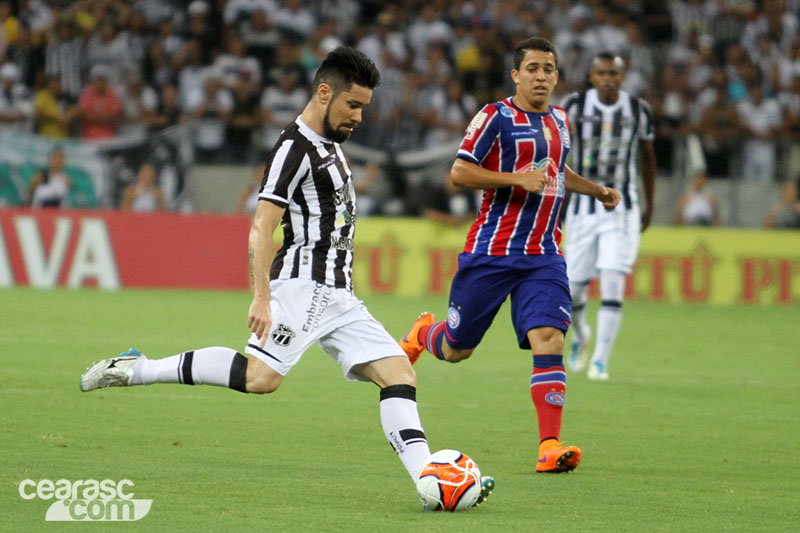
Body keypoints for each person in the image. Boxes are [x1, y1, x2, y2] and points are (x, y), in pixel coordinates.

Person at [79, 47, 493, 508]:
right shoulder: (292, 149)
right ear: (324, 93)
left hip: (339, 292)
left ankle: (430, 484)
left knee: (400, 374)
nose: (358, 116)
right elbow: (262, 224)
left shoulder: (331, 143)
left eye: (363, 108)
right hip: (302, 284)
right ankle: (137, 369)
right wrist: (261, 296)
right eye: (353, 105)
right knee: (259, 378)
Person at [399, 37, 621, 474]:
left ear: (557, 76)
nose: (541, 76)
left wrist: (594, 190)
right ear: (515, 75)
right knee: (456, 349)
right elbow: (459, 172)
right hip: (492, 251)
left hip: (544, 254)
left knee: (550, 338)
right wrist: (515, 179)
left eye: (549, 69)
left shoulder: (561, 120)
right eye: (533, 68)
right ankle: (425, 332)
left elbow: (557, 170)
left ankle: (549, 446)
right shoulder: (493, 116)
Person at [559, 52, 656, 381]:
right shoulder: (573, 106)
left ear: (622, 74)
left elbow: (647, 157)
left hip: (623, 207)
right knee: (572, 291)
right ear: (592, 75)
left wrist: (649, 203)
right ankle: (581, 334)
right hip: (582, 208)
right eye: (601, 73)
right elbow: (559, 156)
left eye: (613, 73)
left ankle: (600, 361)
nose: (608, 79)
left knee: (613, 280)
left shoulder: (638, 109)